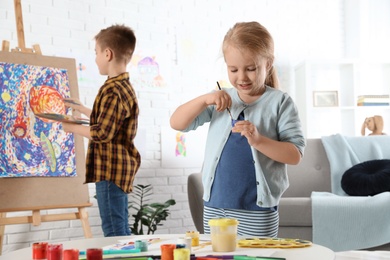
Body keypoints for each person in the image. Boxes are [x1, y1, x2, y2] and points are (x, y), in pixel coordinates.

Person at [170, 21, 305, 237]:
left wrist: (259, 140)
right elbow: (177, 123)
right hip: (216, 207)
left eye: (251, 69)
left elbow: (295, 155)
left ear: (268, 64)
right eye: (233, 69)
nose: (241, 77)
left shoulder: (280, 102)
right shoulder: (219, 100)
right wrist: (205, 99)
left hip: (258, 210)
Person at [62, 24, 141, 237]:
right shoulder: (122, 86)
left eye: (96, 53)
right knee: (120, 227)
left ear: (108, 54)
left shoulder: (113, 90)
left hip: (109, 171)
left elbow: (102, 133)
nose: (95, 58)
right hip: (117, 170)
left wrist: (71, 127)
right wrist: (82, 108)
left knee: (114, 232)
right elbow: (109, 122)